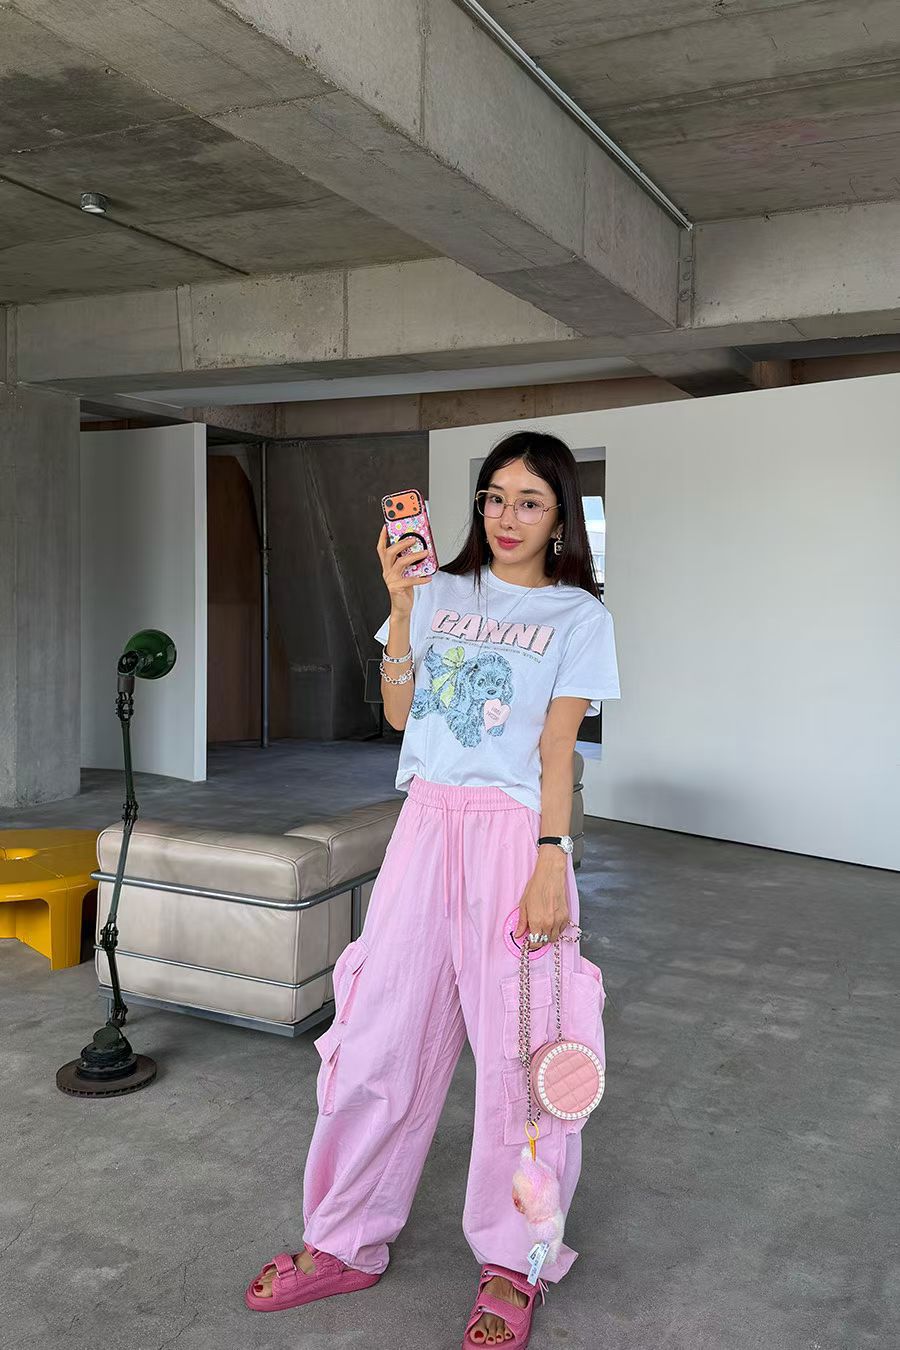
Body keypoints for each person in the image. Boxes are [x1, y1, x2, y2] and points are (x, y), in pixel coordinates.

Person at [244, 430, 621, 1348]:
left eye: (529, 501)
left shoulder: (577, 615)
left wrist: (551, 858)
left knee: (525, 1058)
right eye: (494, 497)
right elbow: (400, 712)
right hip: (423, 829)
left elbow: (557, 750)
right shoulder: (439, 589)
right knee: (379, 1039)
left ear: (560, 517)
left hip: (512, 837)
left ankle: (514, 1261)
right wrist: (402, 605)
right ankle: (344, 1239)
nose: (507, 517)